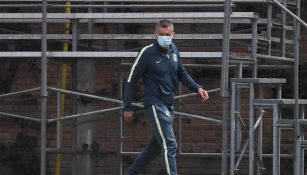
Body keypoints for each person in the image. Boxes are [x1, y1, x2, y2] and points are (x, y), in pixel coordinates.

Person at [123, 19, 209, 175]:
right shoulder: (147, 52)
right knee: (170, 143)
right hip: (155, 104)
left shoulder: (174, 50)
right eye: (161, 34)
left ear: (173, 34)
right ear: (155, 34)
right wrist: (127, 107)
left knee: (156, 145)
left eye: (167, 35)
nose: (164, 37)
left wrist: (197, 87)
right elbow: (130, 80)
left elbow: (182, 73)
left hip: (168, 104)